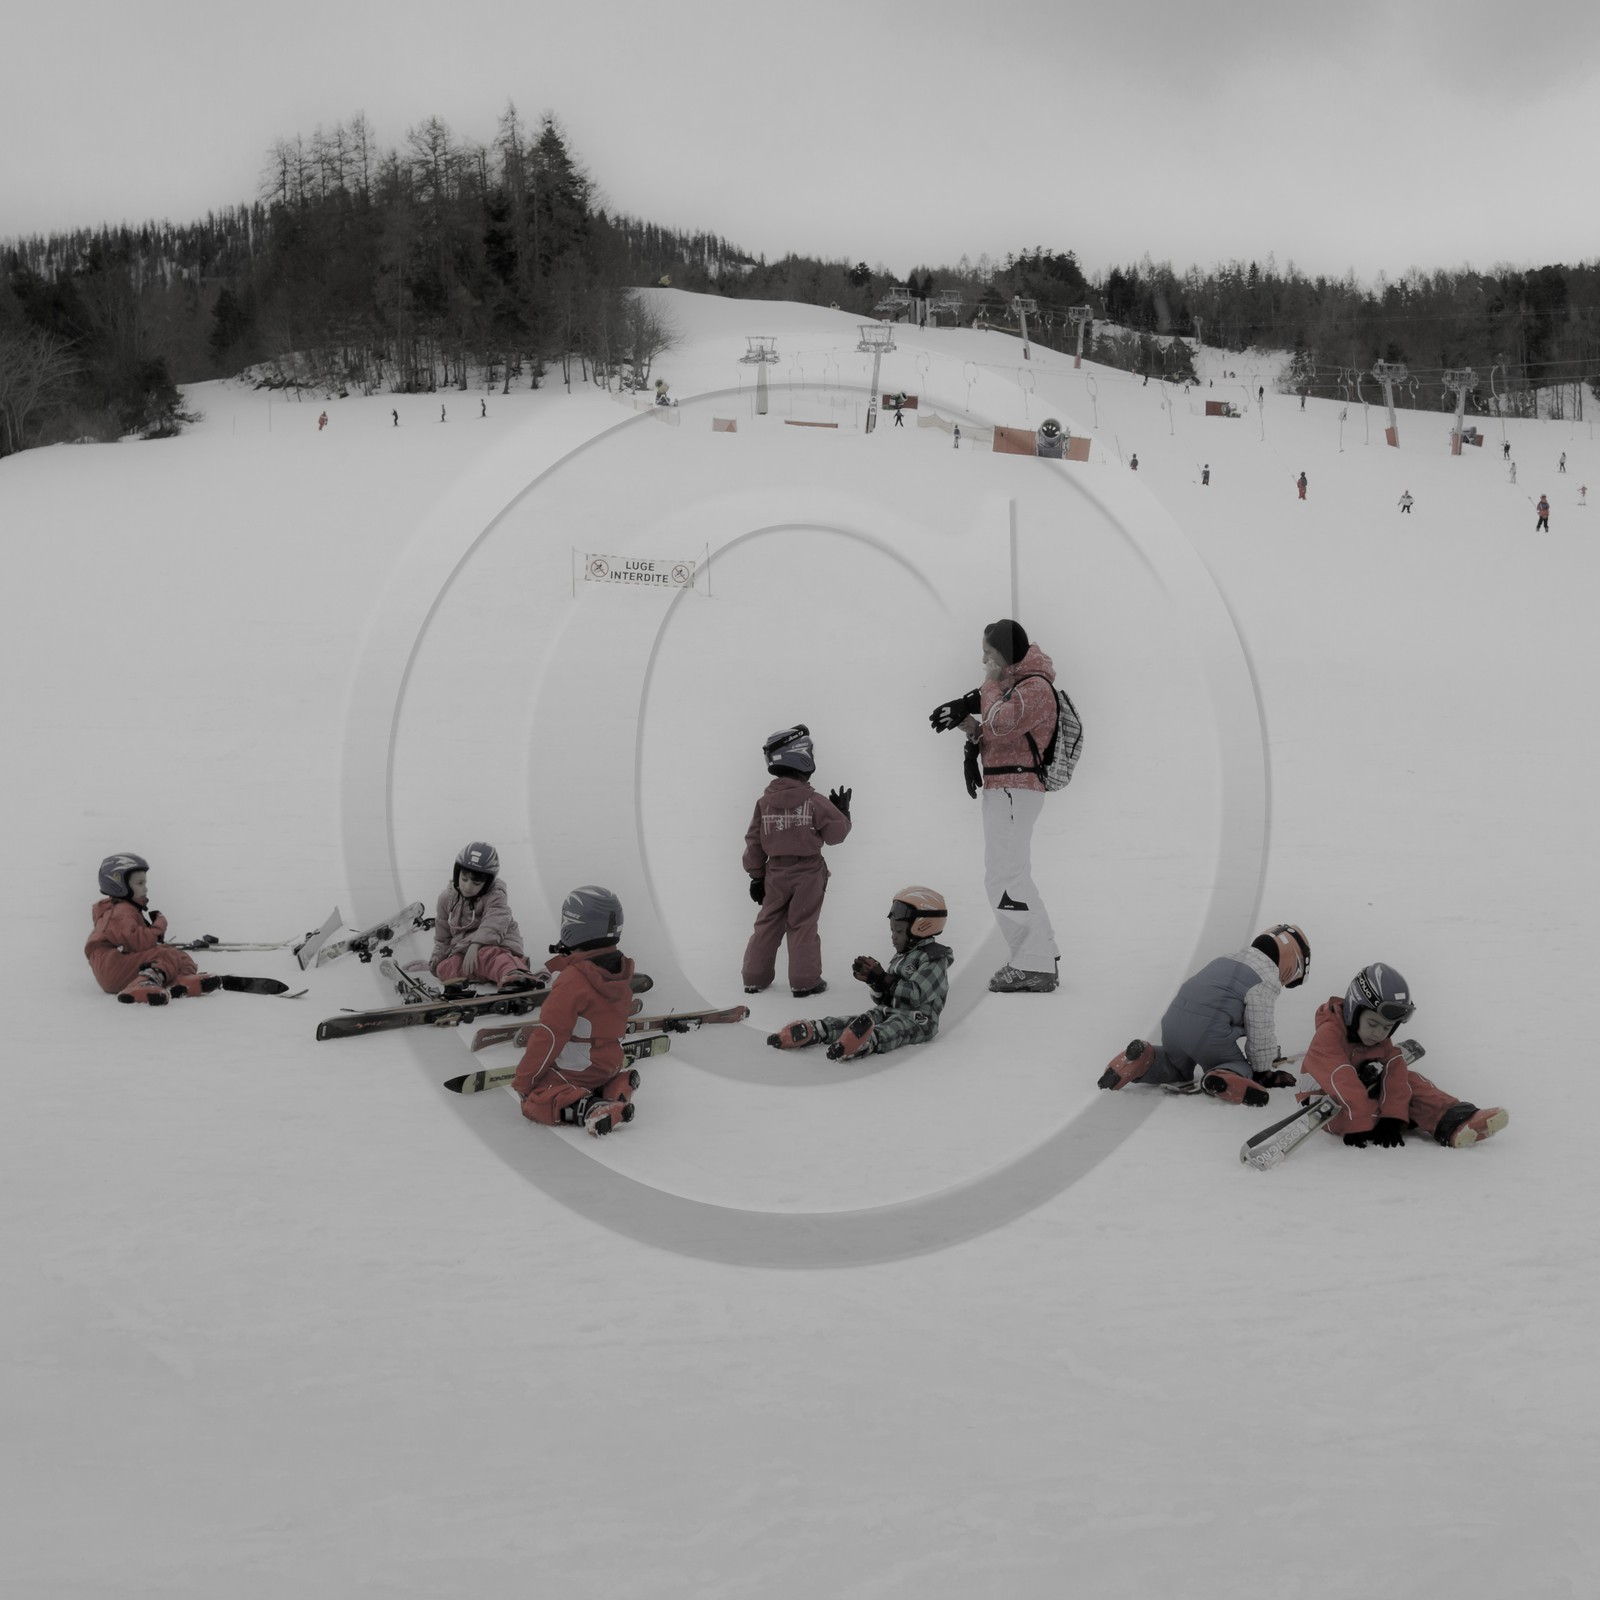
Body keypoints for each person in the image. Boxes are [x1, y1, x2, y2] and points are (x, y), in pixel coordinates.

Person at [929, 619, 1063, 993]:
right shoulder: (1012, 688)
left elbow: (1003, 725)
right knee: (1010, 873)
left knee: (1005, 876)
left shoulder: (1034, 687)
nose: (984, 659)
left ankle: (1032, 962)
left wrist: (985, 687)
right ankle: (1041, 951)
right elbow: (994, 733)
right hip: (1004, 788)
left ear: (1004, 652)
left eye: (989, 652)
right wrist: (967, 728)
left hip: (1014, 790)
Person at [1297, 962, 1507, 1149]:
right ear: (1354, 1010)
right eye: (1372, 1024)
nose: (1379, 1033)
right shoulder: (1329, 1035)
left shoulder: (1377, 1037)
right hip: (1324, 1097)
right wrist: (1358, 1122)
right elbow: (1340, 1079)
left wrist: (1392, 1117)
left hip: (1362, 1085)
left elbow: (1395, 1067)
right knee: (1351, 1111)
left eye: (1388, 1028)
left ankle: (1454, 1120)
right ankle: (1386, 1117)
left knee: (1408, 1080)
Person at [1098, 925, 1311, 1105]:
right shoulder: (1265, 981)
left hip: (1173, 1024)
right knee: (1236, 1065)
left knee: (1174, 1065)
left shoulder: (1224, 960)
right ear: (1291, 964)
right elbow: (1260, 1029)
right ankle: (1223, 1077)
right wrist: (1264, 1071)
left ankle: (1145, 1057)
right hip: (1209, 1034)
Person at [511, 887, 641, 1136]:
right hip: (609, 1063)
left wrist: (525, 1080)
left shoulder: (574, 981)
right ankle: (614, 1086)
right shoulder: (620, 971)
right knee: (586, 1077)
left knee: (535, 1102)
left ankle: (591, 1108)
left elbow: (549, 1036)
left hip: (579, 1070)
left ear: (574, 926)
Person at [768, 887, 954, 1061]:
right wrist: (875, 983)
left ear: (922, 927)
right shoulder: (903, 955)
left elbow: (916, 995)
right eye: (892, 930)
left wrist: (883, 979)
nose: (893, 936)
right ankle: (818, 1030)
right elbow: (883, 1000)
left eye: (898, 930)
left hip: (918, 1020)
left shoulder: (935, 958)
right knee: (860, 1020)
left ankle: (864, 1042)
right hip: (888, 1011)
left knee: (894, 1028)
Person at [742, 725, 852, 998]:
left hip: (775, 873)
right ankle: (805, 981)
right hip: (808, 872)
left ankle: (755, 977)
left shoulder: (764, 803)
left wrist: (756, 876)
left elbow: (754, 840)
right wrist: (843, 812)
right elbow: (836, 835)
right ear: (802, 757)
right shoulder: (814, 801)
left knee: (767, 923)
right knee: (802, 924)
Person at [85, 854, 212, 1004]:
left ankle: (180, 980)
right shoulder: (120, 913)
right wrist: (159, 926)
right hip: (112, 966)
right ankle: (143, 983)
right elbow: (140, 943)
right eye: (139, 883)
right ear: (119, 886)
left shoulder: (127, 910)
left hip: (117, 965)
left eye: (145, 883)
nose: (145, 888)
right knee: (164, 954)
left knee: (177, 955)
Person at [429, 842, 534, 990]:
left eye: (476, 882)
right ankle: (498, 970)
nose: (467, 886)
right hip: (465, 950)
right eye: (464, 879)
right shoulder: (446, 899)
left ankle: (514, 972)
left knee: (487, 954)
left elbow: (494, 923)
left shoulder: (496, 895)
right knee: (444, 968)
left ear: (487, 883)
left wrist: (476, 945)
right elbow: (443, 938)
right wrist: (436, 960)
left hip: (496, 942)